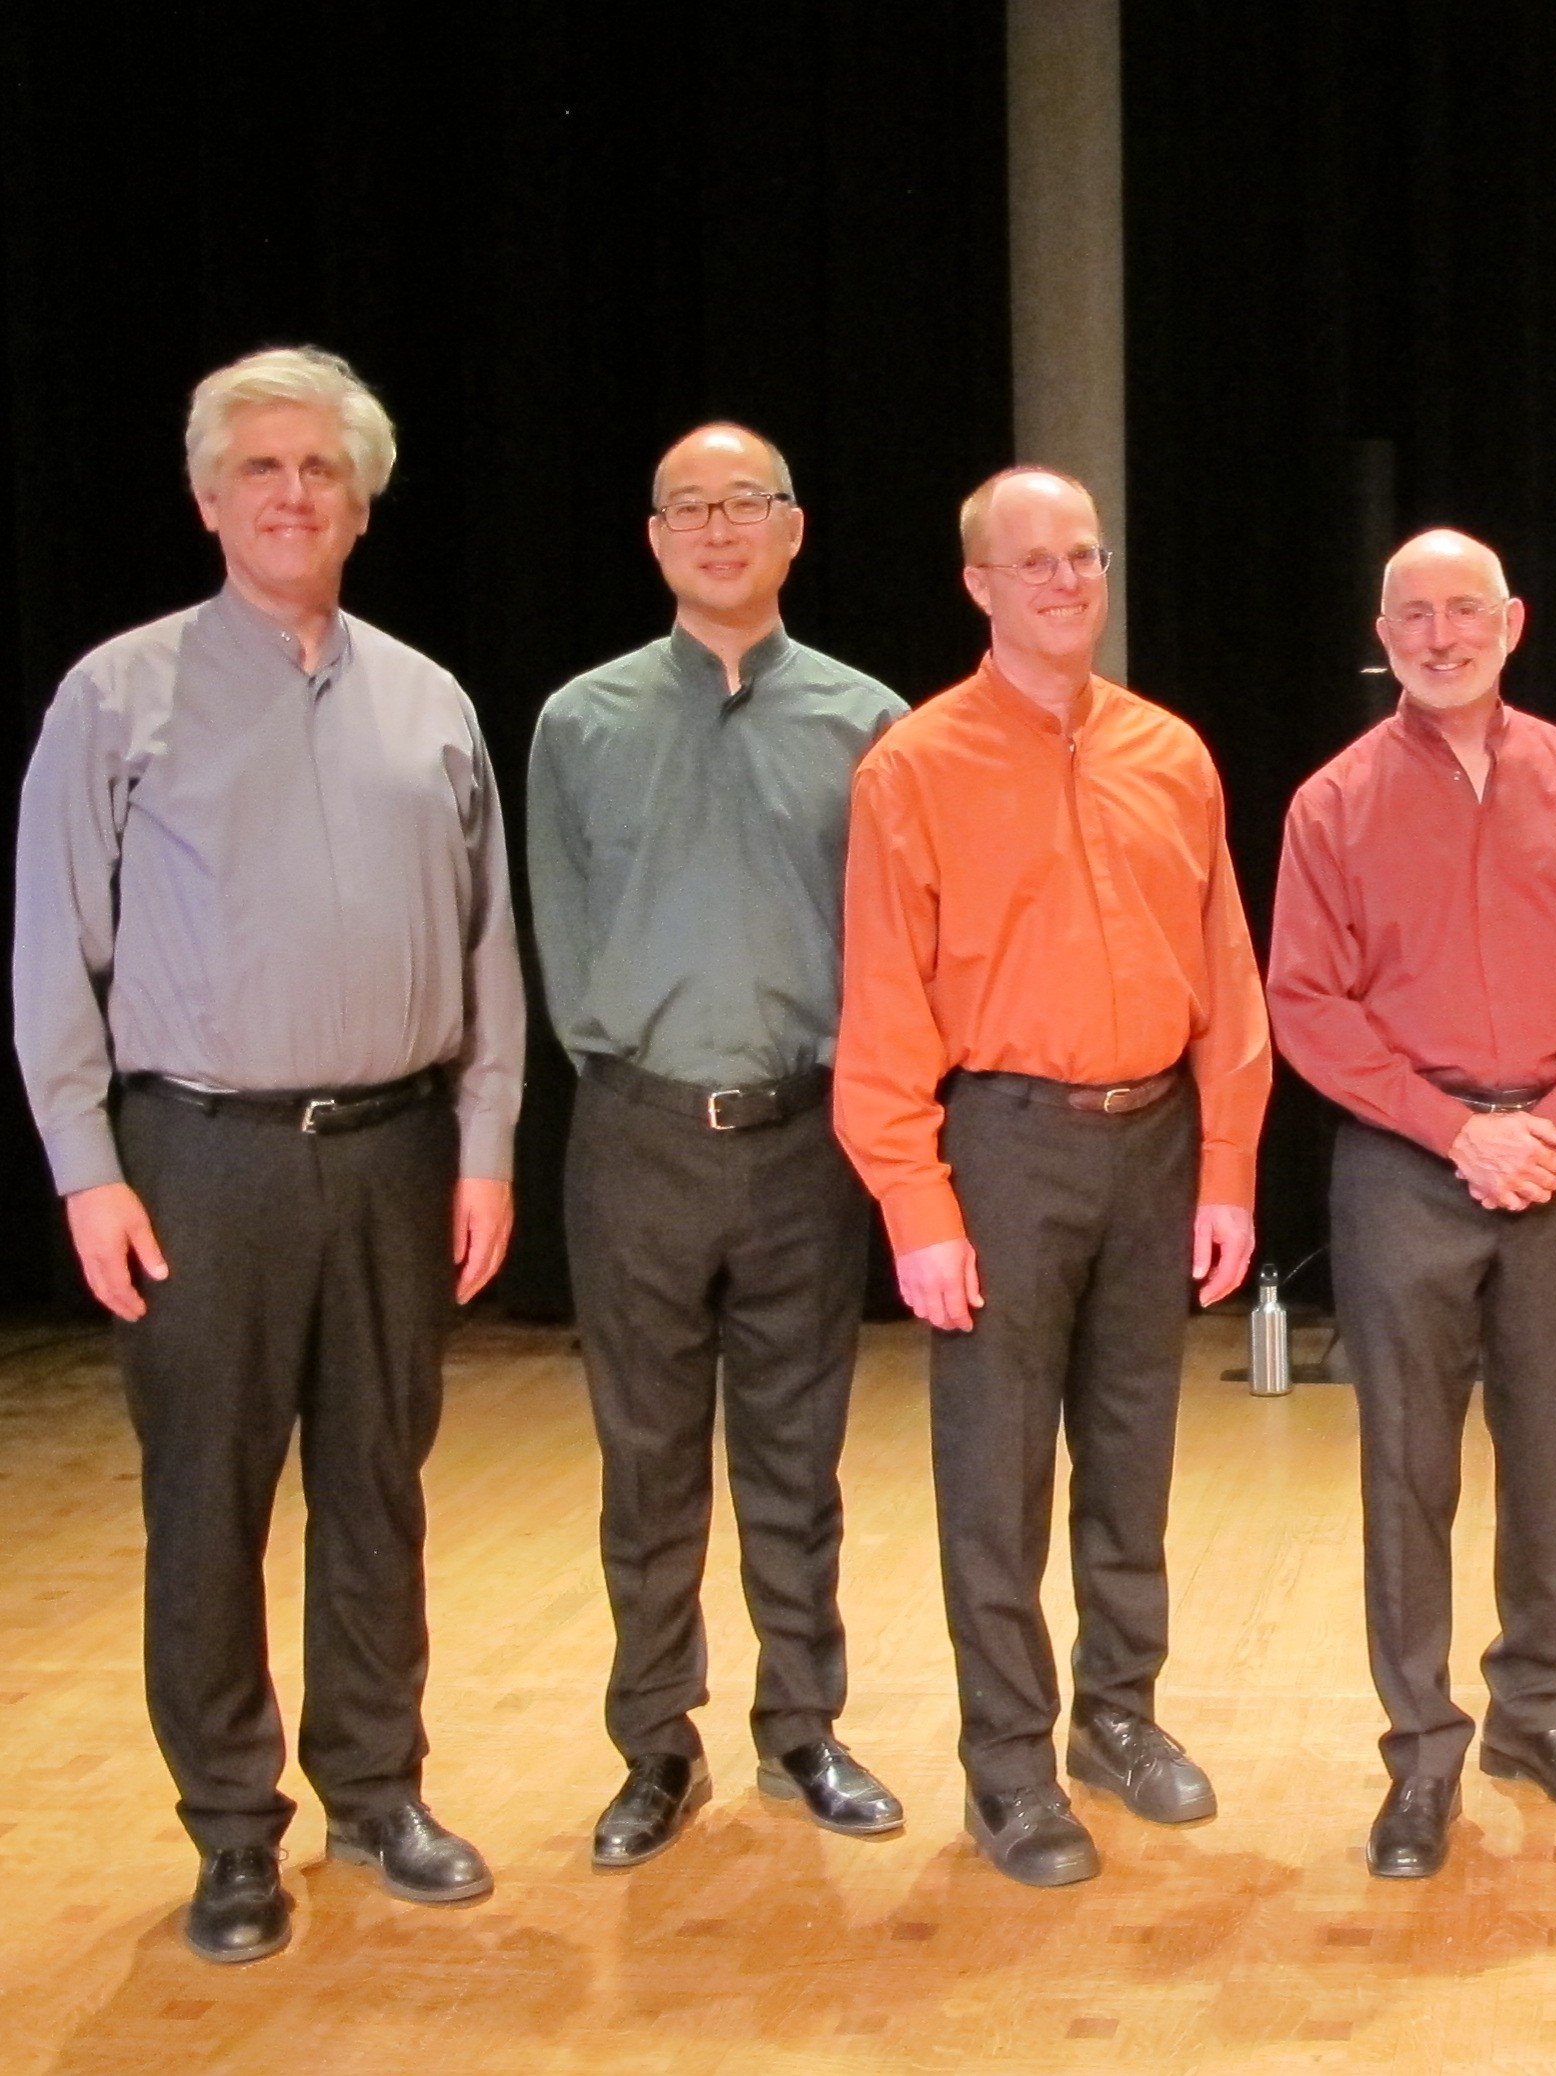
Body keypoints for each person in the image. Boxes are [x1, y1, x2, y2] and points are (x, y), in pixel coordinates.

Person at [11, 347, 524, 1963]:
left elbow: (488, 945)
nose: (292, 494)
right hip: (199, 1159)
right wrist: (85, 1163)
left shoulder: (430, 700)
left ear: (361, 504)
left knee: (378, 1492)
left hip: (392, 1152)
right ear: (207, 499)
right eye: (262, 468)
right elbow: (51, 947)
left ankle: (378, 1790)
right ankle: (234, 1828)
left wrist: (486, 1143)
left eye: (321, 470)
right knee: (207, 1502)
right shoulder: (116, 695)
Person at [836, 465, 1271, 1887]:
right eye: (1035, 562)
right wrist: (916, 1204)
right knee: (997, 1473)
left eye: (1084, 556)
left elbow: (1227, 976)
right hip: (1005, 1143)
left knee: (1133, 1454)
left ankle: (1119, 1718)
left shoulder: (1170, 753)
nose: (1068, 582)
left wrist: (1225, 1165)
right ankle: (1009, 1766)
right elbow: (882, 1003)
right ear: (979, 586)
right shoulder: (913, 767)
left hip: (1156, 1138)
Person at [527, 423, 909, 1870]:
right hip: (636, 1132)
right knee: (646, 1464)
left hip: (803, 1135)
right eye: (685, 506)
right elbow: (561, 927)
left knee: (796, 1459)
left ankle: (803, 1726)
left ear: (792, 529)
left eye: (744, 502)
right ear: (654, 539)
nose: (715, 526)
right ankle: (655, 1744)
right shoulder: (580, 721)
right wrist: (627, 1068)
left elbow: (892, 940)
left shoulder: (870, 723)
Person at [1268, 529, 1556, 1879]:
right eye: (1414, 615)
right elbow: (1305, 1005)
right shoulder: (1330, 804)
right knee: (1406, 1470)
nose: (1440, 636)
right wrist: (1456, 1134)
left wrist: (1547, 1133)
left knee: (1550, 1457)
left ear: (1513, 622)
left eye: (1464, 611)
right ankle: (1421, 1754)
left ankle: (1536, 1717)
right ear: (1383, 634)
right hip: (1403, 1164)